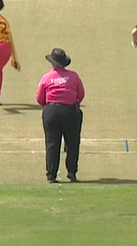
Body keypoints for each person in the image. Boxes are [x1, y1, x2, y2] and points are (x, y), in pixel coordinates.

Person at [36, 48, 85, 183]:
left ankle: (51, 175)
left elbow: (39, 99)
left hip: (51, 111)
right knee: (72, 142)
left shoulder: (46, 78)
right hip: (70, 111)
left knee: (52, 143)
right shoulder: (74, 76)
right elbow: (80, 95)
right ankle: (71, 172)